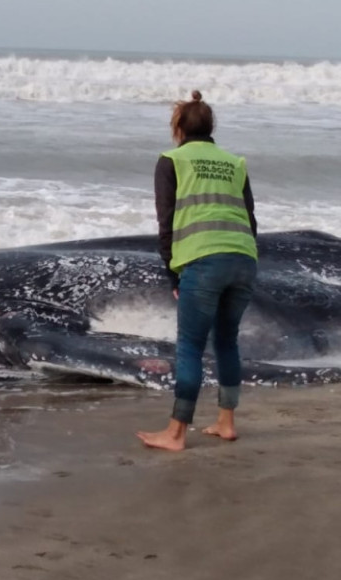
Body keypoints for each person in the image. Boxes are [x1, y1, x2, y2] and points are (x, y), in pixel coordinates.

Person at [137, 90, 259, 452]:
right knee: (226, 341)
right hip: (243, 258)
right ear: (211, 127)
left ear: (178, 128)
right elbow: (250, 218)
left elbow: (167, 222)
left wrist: (173, 275)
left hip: (203, 261)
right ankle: (226, 423)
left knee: (190, 345)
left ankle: (175, 434)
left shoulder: (172, 161)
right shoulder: (235, 163)